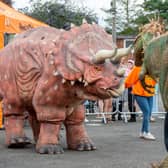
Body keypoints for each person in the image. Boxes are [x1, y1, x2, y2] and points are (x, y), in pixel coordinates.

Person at [125, 65, 156, 140]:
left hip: (150, 94)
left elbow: (155, 80)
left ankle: (142, 132)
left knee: (149, 113)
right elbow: (129, 80)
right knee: (146, 112)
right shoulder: (137, 68)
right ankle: (146, 132)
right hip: (139, 94)